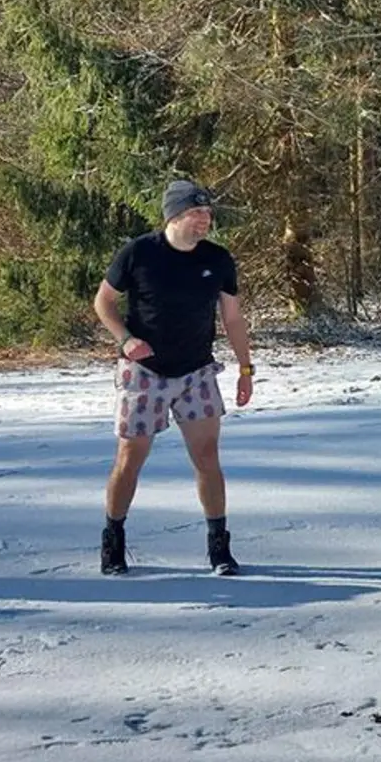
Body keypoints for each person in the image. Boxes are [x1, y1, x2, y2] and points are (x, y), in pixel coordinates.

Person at [93, 180, 254, 576]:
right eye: (196, 214)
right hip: (144, 371)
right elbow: (104, 302)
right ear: (174, 216)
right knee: (130, 458)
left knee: (207, 458)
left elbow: (232, 318)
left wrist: (246, 368)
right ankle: (113, 542)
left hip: (197, 371)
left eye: (207, 215)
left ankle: (219, 548)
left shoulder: (218, 259)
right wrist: (126, 340)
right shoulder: (139, 253)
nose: (204, 222)